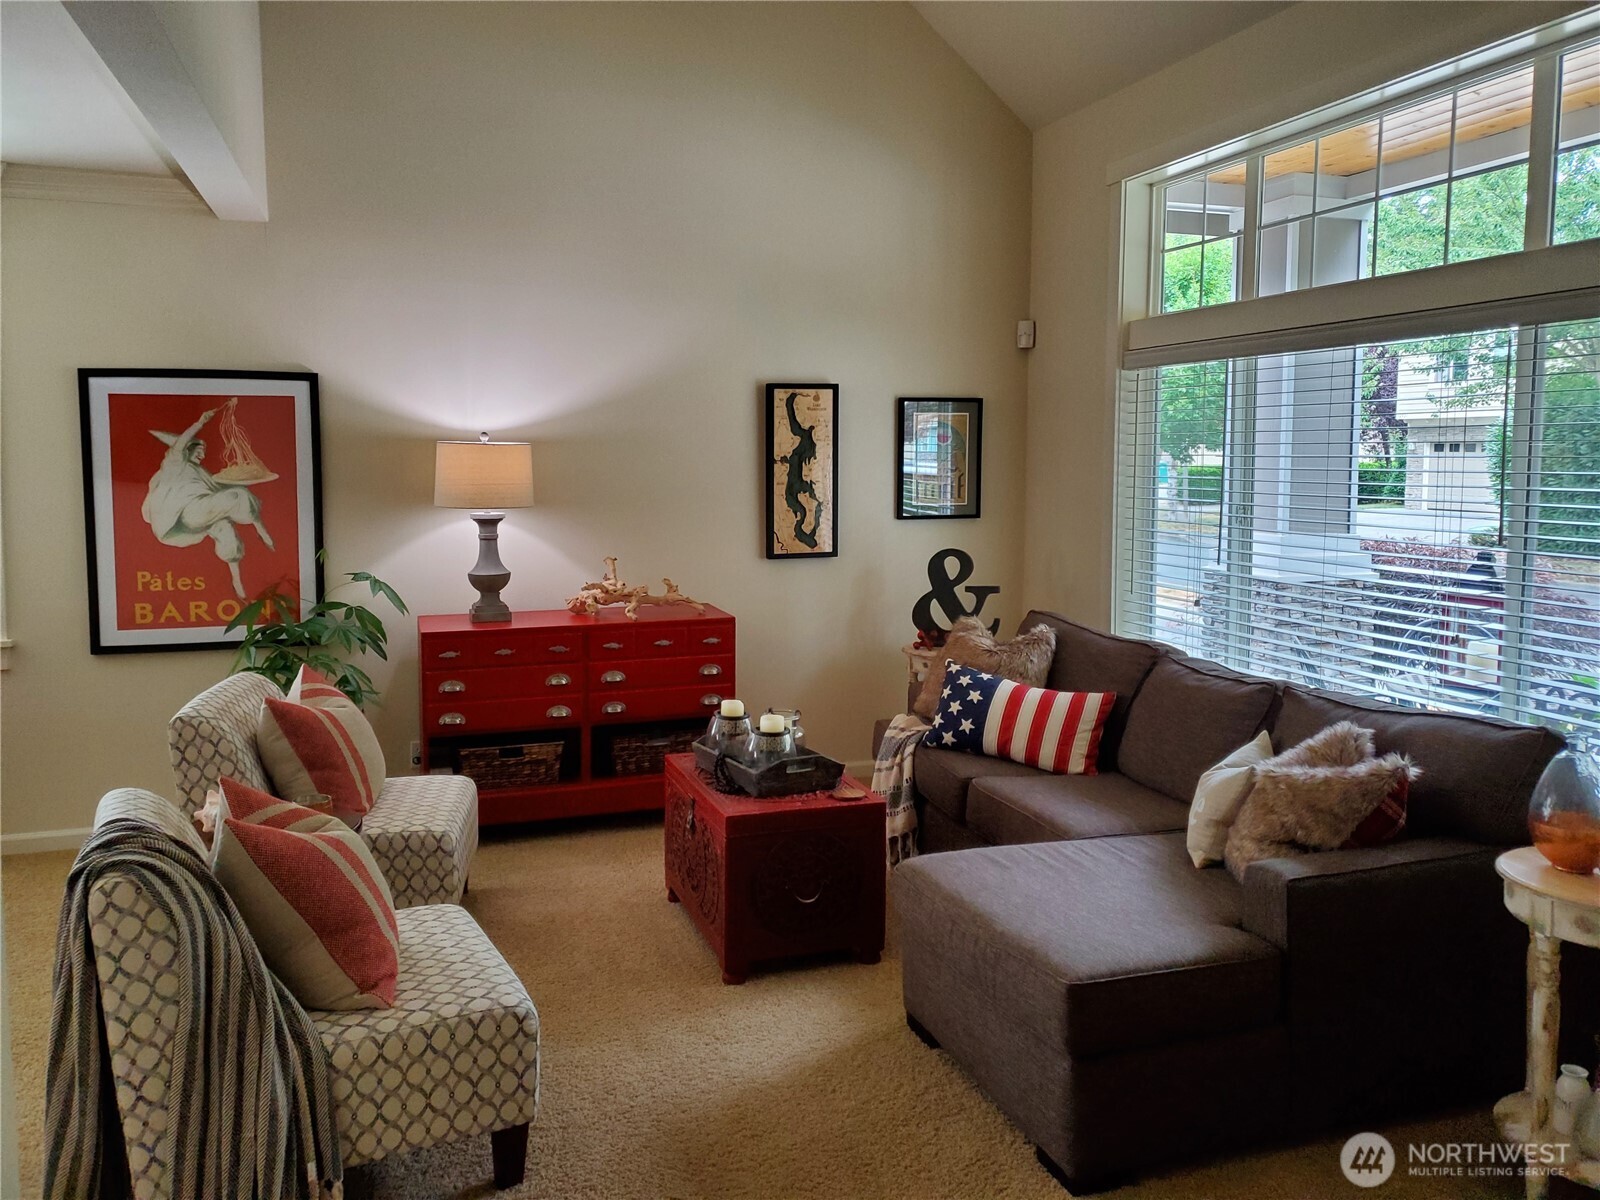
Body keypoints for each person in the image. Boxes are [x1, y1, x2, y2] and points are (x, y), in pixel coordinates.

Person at [142, 404, 274, 600]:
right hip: (188, 512)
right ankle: (261, 531)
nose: (202, 455)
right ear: (187, 450)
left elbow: (217, 490)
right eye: (199, 451)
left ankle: (237, 581)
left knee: (227, 530)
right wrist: (200, 422)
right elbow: (180, 443)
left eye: (204, 452)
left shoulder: (202, 472)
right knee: (238, 494)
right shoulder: (175, 463)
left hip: (202, 516)